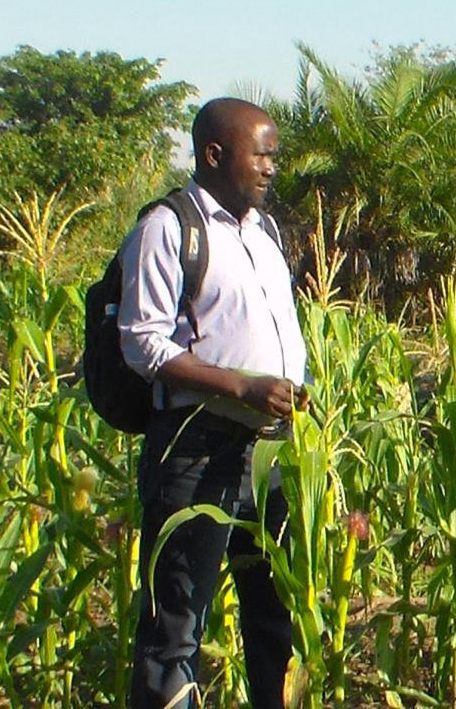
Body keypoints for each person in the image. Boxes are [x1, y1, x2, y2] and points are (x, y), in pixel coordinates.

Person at [119, 97, 307, 709]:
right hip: (198, 451)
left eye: (274, 154)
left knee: (275, 622)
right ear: (215, 154)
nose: (272, 166)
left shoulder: (265, 231)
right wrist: (243, 385)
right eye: (262, 153)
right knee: (175, 629)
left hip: (271, 454)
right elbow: (144, 344)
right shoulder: (167, 229)